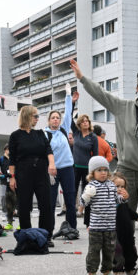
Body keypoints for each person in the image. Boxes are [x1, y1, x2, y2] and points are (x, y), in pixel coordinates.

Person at [71, 60, 138, 271]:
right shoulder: (123, 107)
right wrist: (82, 77)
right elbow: (100, 93)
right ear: (137, 88)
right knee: (121, 217)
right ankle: (121, 257)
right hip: (125, 172)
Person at [7, 106, 56, 236]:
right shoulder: (15, 136)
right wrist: (12, 177)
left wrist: (52, 164)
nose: (37, 119)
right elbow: (12, 159)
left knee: (46, 204)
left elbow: (48, 150)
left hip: (41, 172)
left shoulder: (40, 133)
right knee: (24, 206)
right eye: (35, 116)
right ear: (27, 116)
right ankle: (26, 235)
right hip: (23, 173)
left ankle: (45, 235)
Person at [81, 155, 123, 275]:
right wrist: (86, 196)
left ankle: (107, 273)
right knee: (94, 252)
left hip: (110, 226)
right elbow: (83, 203)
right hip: (96, 227)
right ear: (92, 172)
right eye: (99, 170)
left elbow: (116, 200)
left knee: (109, 251)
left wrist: (123, 197)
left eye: (105, 170)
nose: (103, 172)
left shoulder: (111, 185)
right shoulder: (91, 186)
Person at [45, 84, 78, 238]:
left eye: (58, 117)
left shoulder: (64, 129)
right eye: (53, 117)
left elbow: (68, 111)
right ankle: (48, 230)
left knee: (70, 200)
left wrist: (68, 95)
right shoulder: (44, 134)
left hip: (68, 169)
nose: (56, 119)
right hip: (52, 171)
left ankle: (72, 229)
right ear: (49, 120)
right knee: (51, 202)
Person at [70, 114, 100, 223]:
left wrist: (95, 171)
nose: (85, 123)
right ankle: (71, 212)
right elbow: (69, 118)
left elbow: (95, 155)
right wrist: (71, 105)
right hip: (75, 167)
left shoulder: (93, 137)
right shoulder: (76, 133)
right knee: (72, 189)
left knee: (86, 192)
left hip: (87, 168)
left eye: (87, 121)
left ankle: (83, 213)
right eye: (83, 121)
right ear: (79, 124)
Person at [112, 171, 138, 275]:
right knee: (117, 250)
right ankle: (117, 269)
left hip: (127, 230)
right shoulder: (110, 199)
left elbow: (128, 211)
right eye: (117, 186)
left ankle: (130, 267)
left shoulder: (124, 200)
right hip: (115, 230)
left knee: (130, 249)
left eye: (122, 187)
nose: (120, 189)